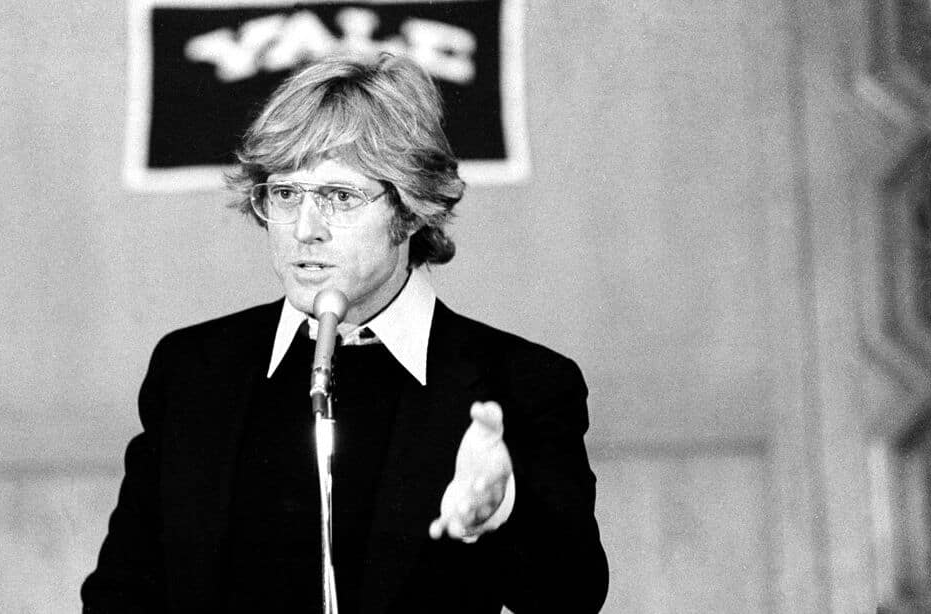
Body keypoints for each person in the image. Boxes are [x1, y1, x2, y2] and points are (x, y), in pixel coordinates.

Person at [82, 53, 608, 613]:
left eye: (339, 196)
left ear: (411, 209)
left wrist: (499, 511)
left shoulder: (520, 382)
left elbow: (573, 596)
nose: (305, 229)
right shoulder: (193, 369)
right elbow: (120, 595)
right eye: (286, 194)